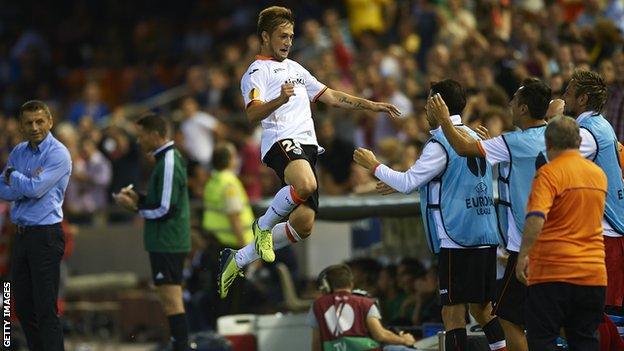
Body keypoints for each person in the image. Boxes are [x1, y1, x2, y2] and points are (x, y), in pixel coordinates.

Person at [217, 5, 401, 299]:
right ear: (265, 37)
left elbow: (331, 96)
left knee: (303, 225)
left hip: (307, 147)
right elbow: (252, 114)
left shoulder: (296, 69)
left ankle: (238, 259)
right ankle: (262, 225)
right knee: (307, 184)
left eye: (291, 35)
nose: (288, 41)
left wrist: (371, 105)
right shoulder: (257, 71)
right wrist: (279, 99)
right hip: (281, 140)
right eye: (282, 35)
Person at [354, 80, 507, 351]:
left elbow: (407, 182)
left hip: (457, 237)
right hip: (485, 232)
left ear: (439, 105)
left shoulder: (440, 144)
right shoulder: (474, 137)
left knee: (452, 313)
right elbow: (443, 179)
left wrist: (374, 165)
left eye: (428, 101)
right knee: (483, 311)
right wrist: (410, 181)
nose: (425, 108)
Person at [430, 78, 552, 351]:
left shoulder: (514, 142)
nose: (508, 105)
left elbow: (463, 149)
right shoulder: (557, 136)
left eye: (513, 101)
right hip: (559, 239)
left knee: (507, 316)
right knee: (551, 317)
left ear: (522, 108)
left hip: (528, 244)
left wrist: (444, 121)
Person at [516, 116, 608, 350]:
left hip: (553, 273)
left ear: (548, 145)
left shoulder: (548, 174)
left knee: (542, 340)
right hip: (593, 273)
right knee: (585, 340)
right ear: (578, 141)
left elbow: (536, 217)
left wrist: (523, 256)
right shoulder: (598, 174)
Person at [113, 113, 191, 351]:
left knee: (172, 301)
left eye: (141, 136)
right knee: (171, 300)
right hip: (165, 241)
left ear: (155, 135)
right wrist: (140, 197)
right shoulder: (165, 159)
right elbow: (161, 200)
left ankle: (182, 347)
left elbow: (166, 208)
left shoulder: (168, 161)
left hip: (168, 241)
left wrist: (134, 207)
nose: (138, 142)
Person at [0, 100, 72, 351]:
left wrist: (14, 178)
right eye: (29, 122)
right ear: (21, 125)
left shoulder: (58, 153)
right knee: (20, 305)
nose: (34, 127)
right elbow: (3, 189)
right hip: (20, 235)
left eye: (40, 121)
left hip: (45, 235)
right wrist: (24, 185)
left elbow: (34, 188)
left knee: (45, 309)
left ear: (50, 121)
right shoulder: (18, 152)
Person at [562, 70, 624, 312]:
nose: (564, 97)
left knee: (604, 313)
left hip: (606, 231)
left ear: (583, 99)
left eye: (568, 92)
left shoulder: (586, 134)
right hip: (610, 226)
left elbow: (550, 158)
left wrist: (549, 119)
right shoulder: (600, 124)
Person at [307, 263, 417, 351]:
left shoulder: (318, 305)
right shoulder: (366, 302)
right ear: (351, 284)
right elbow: (380, 335)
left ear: (326, 286)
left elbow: (316, 345)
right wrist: (404, 340)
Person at [202, 142, 254, 249]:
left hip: (215, 240)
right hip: (233, 244)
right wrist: (246, 249)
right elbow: (234, 218)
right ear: (229, 160)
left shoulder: (212, 181)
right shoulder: (229, 183)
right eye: (235, 156)